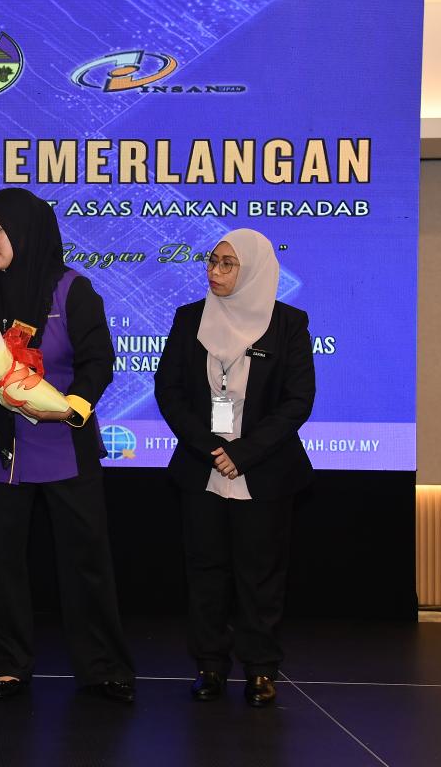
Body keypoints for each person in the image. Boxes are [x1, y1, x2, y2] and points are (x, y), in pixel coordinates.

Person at [0, 187, 136, 703]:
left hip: (64, 443)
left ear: (26, 232)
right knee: (3, 564)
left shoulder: (72, 290)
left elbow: (98, 361)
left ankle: (103, 667)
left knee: (86, 562)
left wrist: (72, 406)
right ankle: (8, 665)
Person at [154, 228, 315, 708]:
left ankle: (261, 669)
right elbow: (169, 391)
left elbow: (297, 401)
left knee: (260, 575)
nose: (215, 271)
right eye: (212, 261)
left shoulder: (288, 324)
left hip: (263, 470)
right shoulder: (189, 318)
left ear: (255, 270)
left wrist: (243, 452)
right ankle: (209, 666)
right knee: (206, 572)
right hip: (202, 468)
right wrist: (209, 447)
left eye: (228, 264)